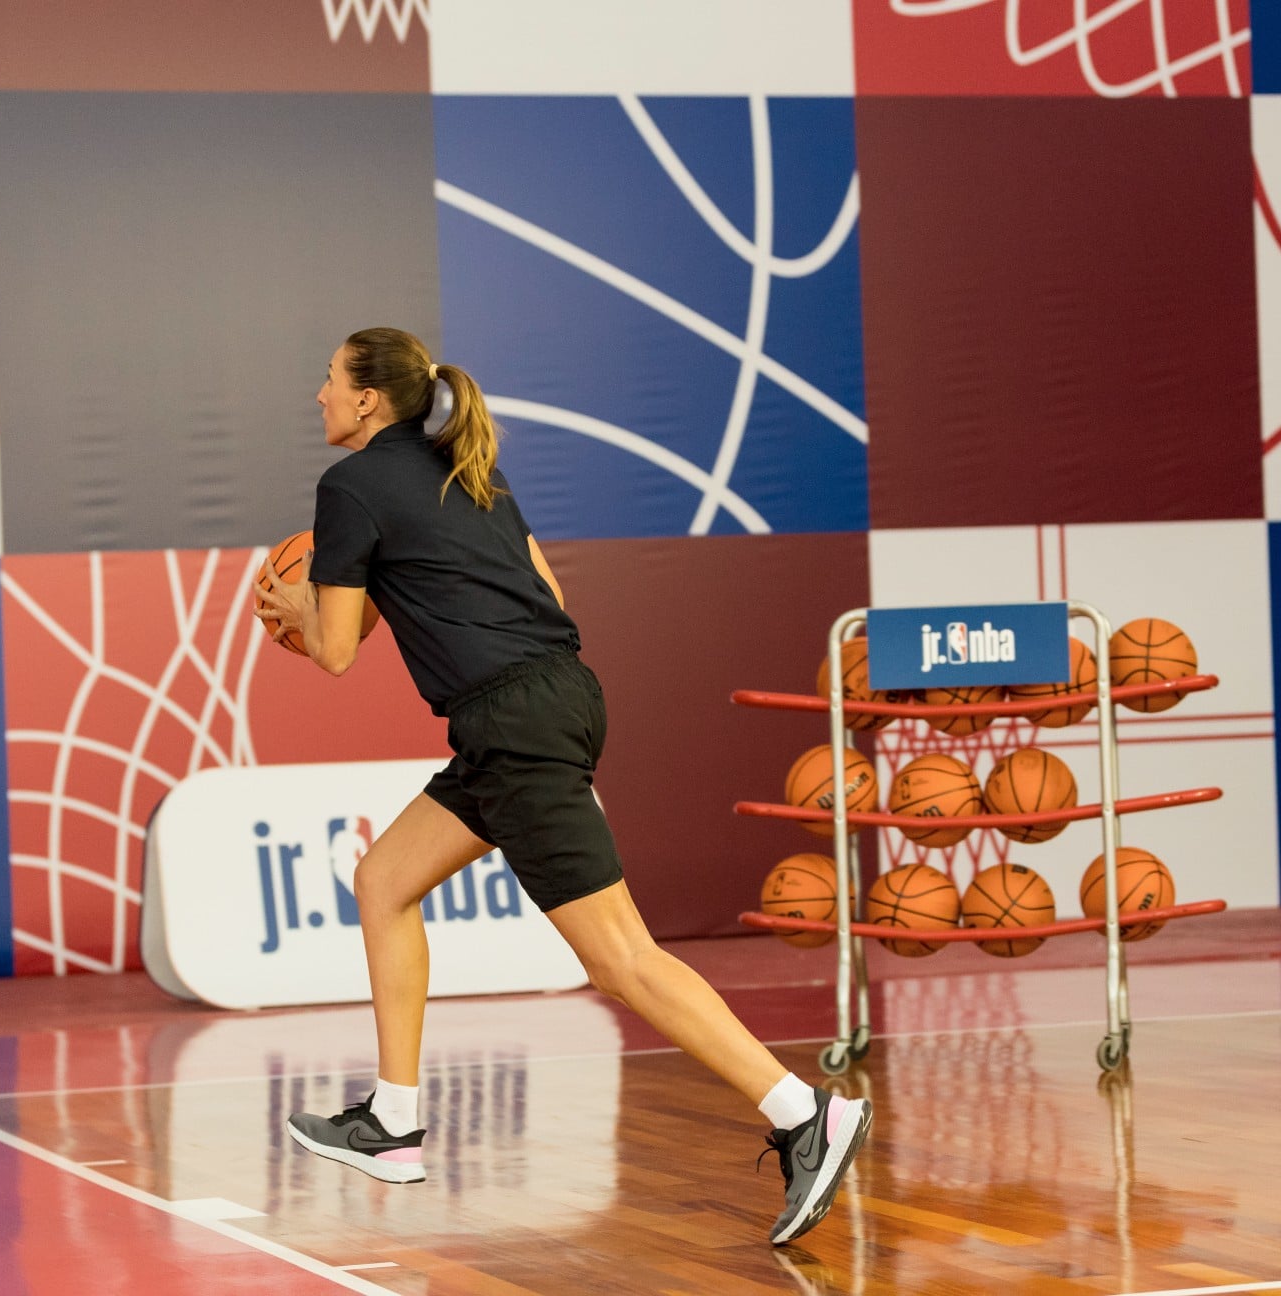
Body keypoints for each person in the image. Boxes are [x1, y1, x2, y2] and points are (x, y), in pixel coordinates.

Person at [253, 327, 868, 1245]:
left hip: (512, 723)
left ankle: (801, 1113)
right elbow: (545, 588)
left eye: (330, 379)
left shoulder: (348, 487)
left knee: (621, 959)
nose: (319, 395)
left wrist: (302, 607)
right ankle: (390, 1121)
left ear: (370, 400)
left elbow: (336, 651)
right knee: (384, 881)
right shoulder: (467, 470)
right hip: (556, 700)